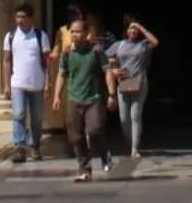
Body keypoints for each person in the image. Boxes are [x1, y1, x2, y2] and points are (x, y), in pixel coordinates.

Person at [56, 13, 110, 182]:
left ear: (87, 33)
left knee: (94, 130)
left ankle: (104, 152)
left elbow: (107, 71)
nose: (74, 35)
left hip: (93, 99)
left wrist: (112, 94)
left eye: (78, 32)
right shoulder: (67, 54)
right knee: (76, 137)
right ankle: (84, 169)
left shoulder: (96, 51)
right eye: (72, 31)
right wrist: (57, 96)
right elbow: (62, 74)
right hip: (74, 99)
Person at [2, 4, 53, 164]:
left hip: (36, 83)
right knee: (19, 114)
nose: (20, 20)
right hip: (18, 83)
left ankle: (35, 144)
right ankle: (19, 147)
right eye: (17, 17)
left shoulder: (40, 36)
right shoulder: (10, 36)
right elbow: (6, 60)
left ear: (30, 18)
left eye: (23, 17)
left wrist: (47, 83)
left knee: (37, 118)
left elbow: (47, 62)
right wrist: (6, 85)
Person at [105, 18, 159, 159]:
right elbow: (105, 58)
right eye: (130, 28)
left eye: (135, 29)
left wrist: (141, 26)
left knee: (135, 115)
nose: (133, 30)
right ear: (126, 31)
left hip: (140, 82)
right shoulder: (119, 44)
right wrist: (113, 67)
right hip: (123, 83)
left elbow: (155, 42)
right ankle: (130, 142)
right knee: (124, 118)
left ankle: (135, 148)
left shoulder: (143, 44)